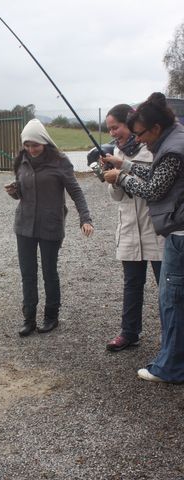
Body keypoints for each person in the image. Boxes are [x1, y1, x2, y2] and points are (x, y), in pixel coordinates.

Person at [102, 92, 184, 383]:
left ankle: (171, 361)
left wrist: (121, 176)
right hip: (143, 231)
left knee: (172, 298)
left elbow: (154, 189)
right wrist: (119, 168)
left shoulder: (170, 149)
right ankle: (137, 336)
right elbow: (145, 178)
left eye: (139, 133)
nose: (140, 140)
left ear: (154, 129)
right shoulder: (170, 140)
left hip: (170, 233)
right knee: (149, 290)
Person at [5, 118, 93, 337]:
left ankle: (51, 316)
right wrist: (14, 191)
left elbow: (76, 192)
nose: (31, 149)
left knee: (49, 272)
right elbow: (22, 194)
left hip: (50, 225)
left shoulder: (60, 162)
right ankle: (29, 318)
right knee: (28, 273)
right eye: (27, 145)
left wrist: (85, 218)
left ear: (45, 142)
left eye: (35, 144)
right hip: (24, 225)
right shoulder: (21, 160)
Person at [103, 104, 164, 352]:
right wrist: (112, 178)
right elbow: (117, 197)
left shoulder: (153, 148)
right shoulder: (116, 150)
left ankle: (171, 336)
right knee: (132, 284)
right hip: (129, 227)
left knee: (167, 287)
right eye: (109, 130)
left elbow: (157, 183)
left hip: (155, 228)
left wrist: (123, 172)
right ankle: (129, 333)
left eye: (115, 127)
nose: (113, 133)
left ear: (131, 124)